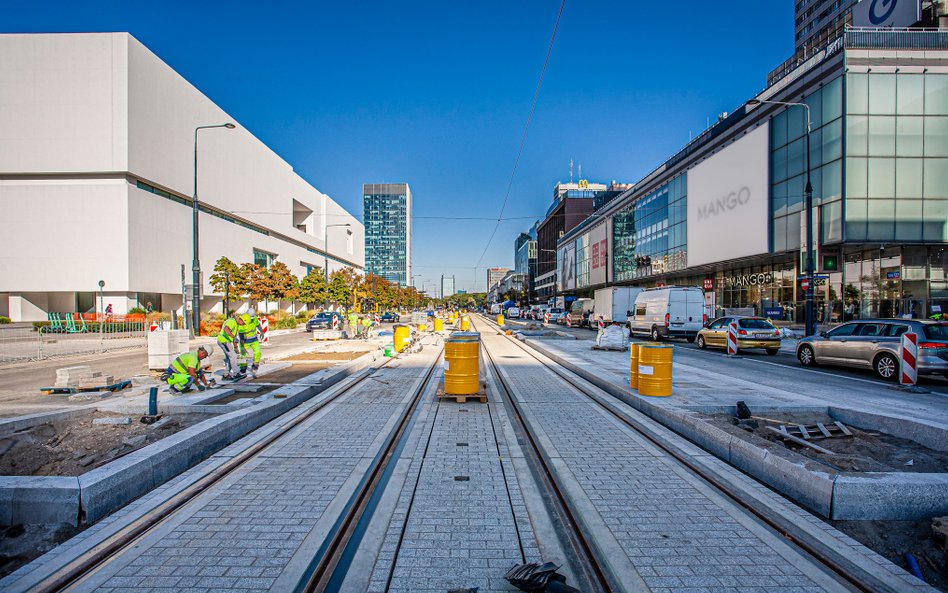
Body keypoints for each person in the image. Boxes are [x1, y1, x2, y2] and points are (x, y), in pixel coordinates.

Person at [217, 311, 245, 380]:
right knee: (233, 356)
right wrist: (233, 337)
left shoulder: (236, 324)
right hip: (224, 341)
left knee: (230, 357)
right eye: (243, 322)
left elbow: (234, 337)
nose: (243, 324)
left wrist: (236, 347)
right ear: (240, 319)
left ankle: (226, 375)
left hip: (226, 341)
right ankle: (236, 373)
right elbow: (226, 329)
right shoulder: (232, 321)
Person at [238, 309, 262, 378]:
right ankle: (242, 370)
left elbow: (258, 325)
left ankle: (255, 367)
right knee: (243, 355)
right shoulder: (242, 321)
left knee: (257, 353)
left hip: (254, 340)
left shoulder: (254, 318)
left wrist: (262, 331)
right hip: (245, 341)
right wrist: (242, 346)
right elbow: (241, 335)